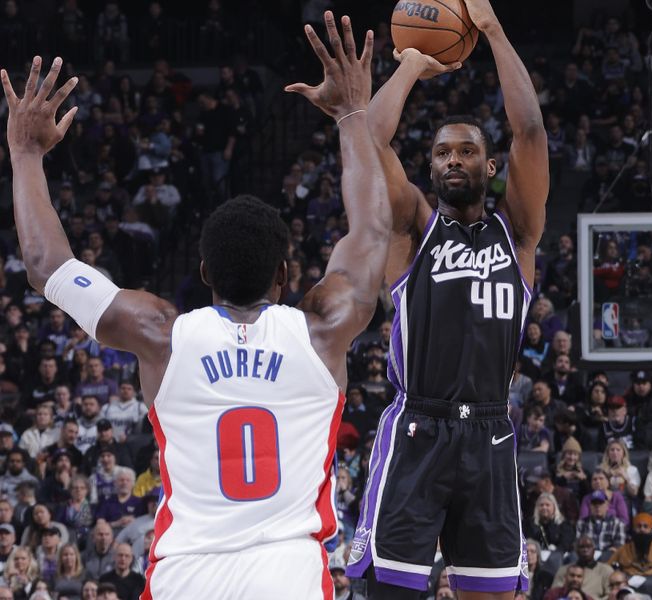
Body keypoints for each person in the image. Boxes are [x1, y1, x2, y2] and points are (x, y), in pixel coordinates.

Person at [2, 10, 388, 597]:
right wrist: (352, 114)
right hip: (288, 575)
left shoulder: (162, 333)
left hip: (186, 575)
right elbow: (371, 234)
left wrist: (26, 152)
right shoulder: (323, 330)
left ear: (203, 273)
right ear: (285, 275)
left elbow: (46, 265)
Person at [347, 0, 549, 595]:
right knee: (388, 590)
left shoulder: (519, 233)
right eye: (441, 152)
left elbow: (530, 131)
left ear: (490, 167)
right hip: (418, 428)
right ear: (429, 168)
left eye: (466, 151)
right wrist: (410, 63)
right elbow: (367, 138)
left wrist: (490, 28)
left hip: (489, 431)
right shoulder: (412, 227)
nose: (453, 159)